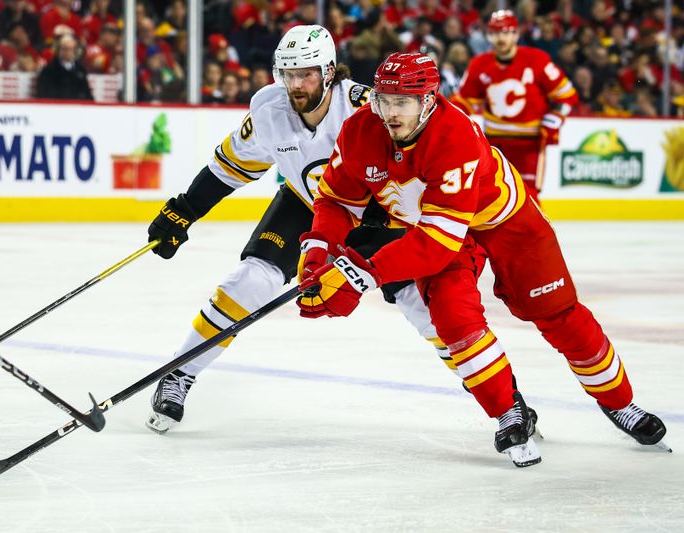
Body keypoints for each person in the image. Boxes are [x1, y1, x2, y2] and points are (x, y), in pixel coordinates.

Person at [297, 51, 669, 466]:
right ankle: (508, 410)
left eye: (401, 102)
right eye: (383, 100)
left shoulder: (454, 135)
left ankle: (618, 402)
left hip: (506, 222)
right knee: (454, 320)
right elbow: (335, 200)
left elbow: (437, 244)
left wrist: (365, 273)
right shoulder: (358, 130)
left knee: (556, 312)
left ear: (429, 99)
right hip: (434, 228)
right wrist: (316, 253)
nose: (389, 113)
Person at [143, 25, 468, 434]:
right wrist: (186, 210)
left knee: (421, 307)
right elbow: (230, 165)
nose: (296, 85)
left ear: (330, 71)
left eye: (306, 74)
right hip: (306, 203)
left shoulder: (367, 107)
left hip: (374, 213)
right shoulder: (267, 108)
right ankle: (179, 373)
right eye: (288, 74)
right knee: (250, 281)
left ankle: (498, 396)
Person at [452, 10, 578, 204]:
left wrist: (554, 119)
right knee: (489, 196)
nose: (501, 38)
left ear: (516, 34)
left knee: (529, 197)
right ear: (488, 35)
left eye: (506, 32)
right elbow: (466, 101)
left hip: (529, 144)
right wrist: (446, 116)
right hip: (493, 143)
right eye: (495, 33)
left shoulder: (538, 60)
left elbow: (566, 95)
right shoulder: (479, 64)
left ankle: (536, 235)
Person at [35, 34, 93, 100]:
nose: (68, 52)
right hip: (56, 107)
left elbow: (87, 94)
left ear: (75, 51)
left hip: (77, 108)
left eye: (71, 49)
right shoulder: (48, 71)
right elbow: (43, 94)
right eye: (65, 49)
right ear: (58, 49)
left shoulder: (80, 71)